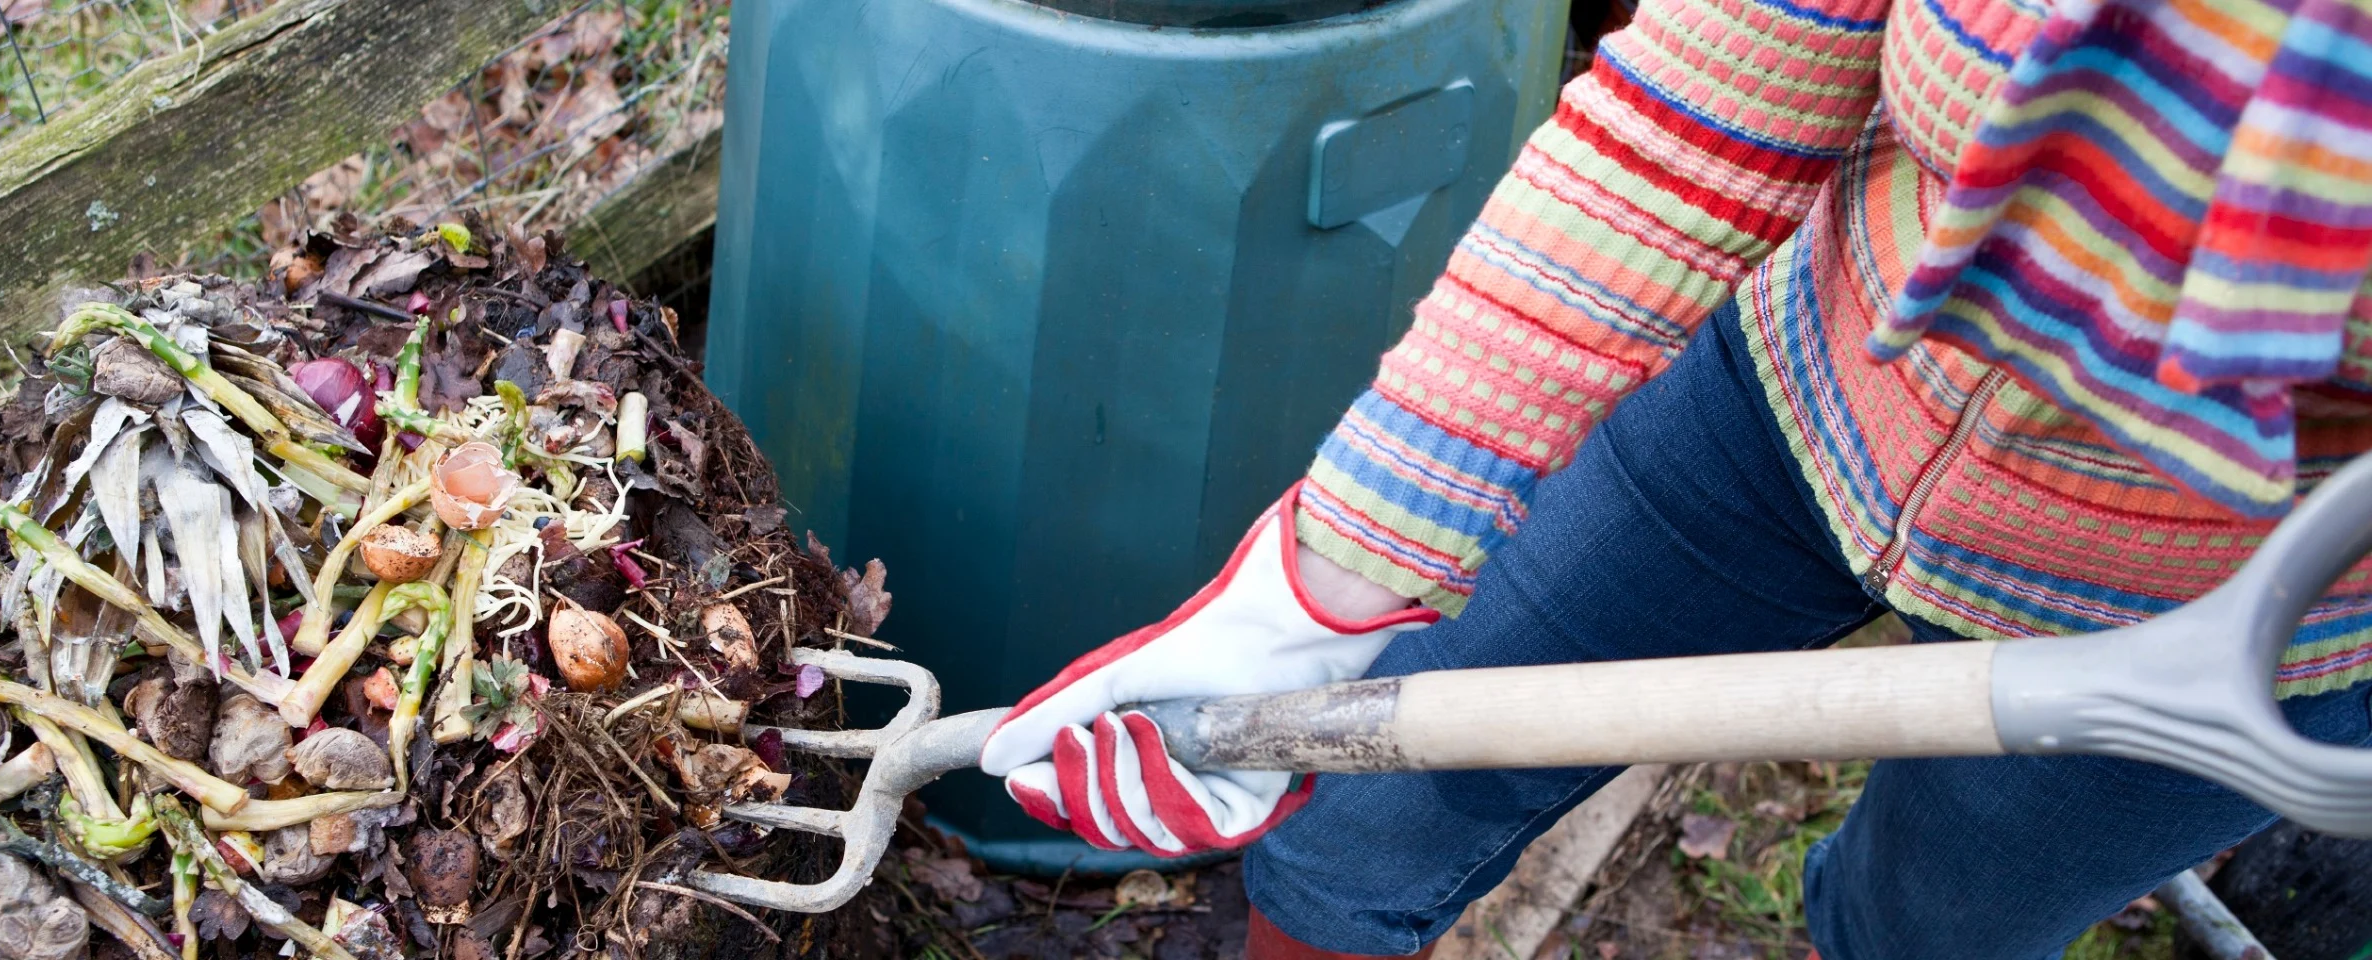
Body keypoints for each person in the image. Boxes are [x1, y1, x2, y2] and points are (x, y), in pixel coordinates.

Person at [975, 0, 2372, 955]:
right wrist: (1324, 581)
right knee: (1350, 831)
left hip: (2222, 619)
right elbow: (1691, 120)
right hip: (1782, 410)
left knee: (1924, 932)